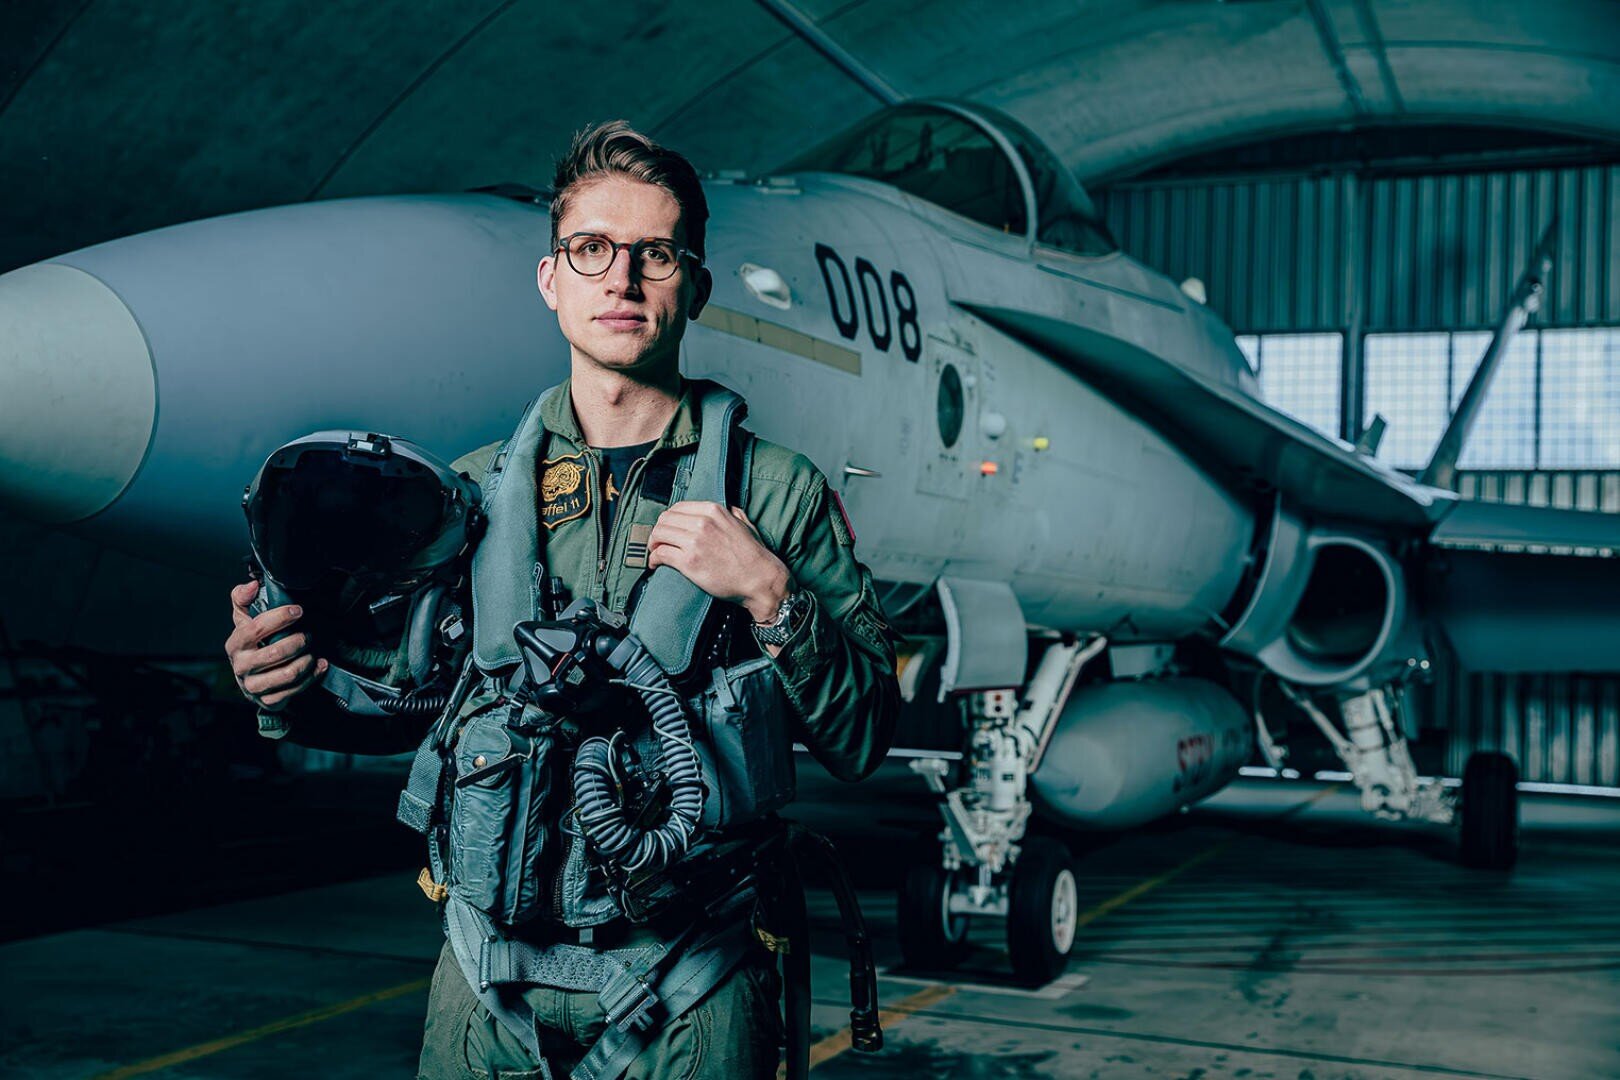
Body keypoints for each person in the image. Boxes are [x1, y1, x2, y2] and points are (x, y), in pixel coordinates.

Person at [224, 119, 901, 1079]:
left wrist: (769, 591)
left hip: (693, 984)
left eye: (654, 254)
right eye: (592, 249)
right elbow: (413, 706)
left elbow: (863, 736)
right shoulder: (470, 497)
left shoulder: (774, 495)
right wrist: (283, 688)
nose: (621, 279)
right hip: (485, 984)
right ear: (552, 280)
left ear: (694, 286)